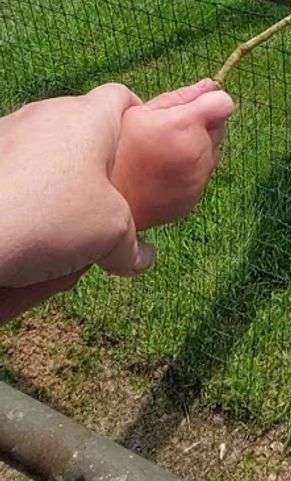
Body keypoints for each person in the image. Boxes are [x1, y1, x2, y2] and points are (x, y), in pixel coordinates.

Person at [0, 79, 234, 322]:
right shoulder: (108, 223)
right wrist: (130, 253)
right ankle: (115, 177)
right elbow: (127, 255)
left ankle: (109, 162)